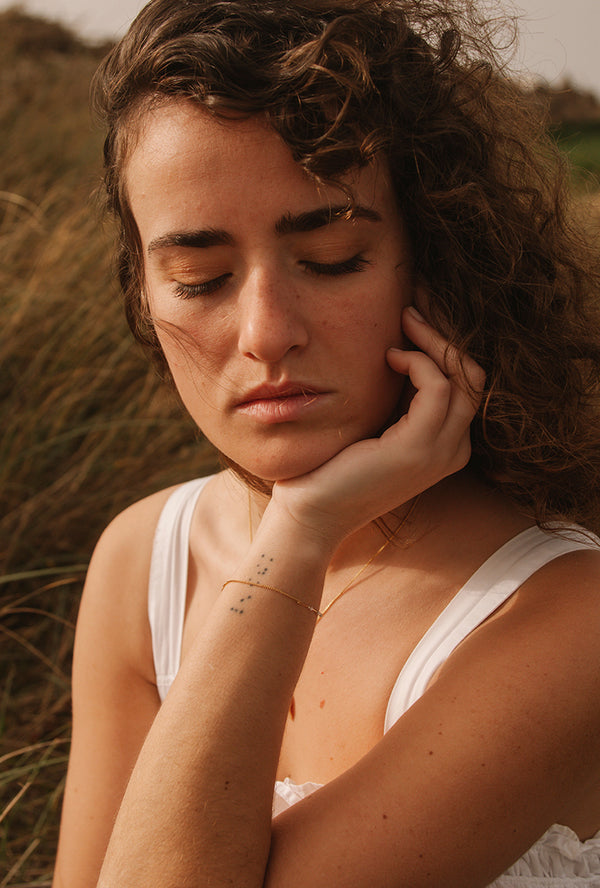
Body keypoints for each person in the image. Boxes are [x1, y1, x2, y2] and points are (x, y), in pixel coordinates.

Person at [53, 1, 600, 886]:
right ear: (143, 292)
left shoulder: (569, 619)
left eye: (334, 257)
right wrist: (301, 534)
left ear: (438, 262)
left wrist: (298, 536)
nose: (266, 333)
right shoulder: (145, 561)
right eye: (199, 278)